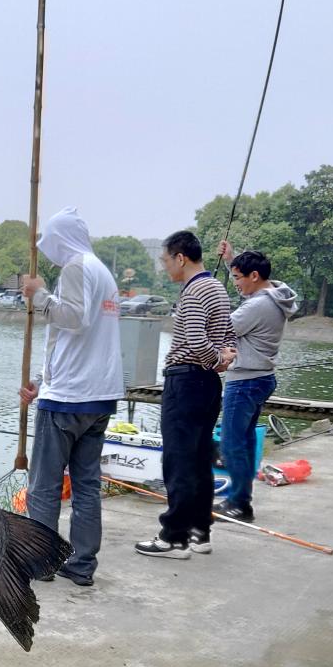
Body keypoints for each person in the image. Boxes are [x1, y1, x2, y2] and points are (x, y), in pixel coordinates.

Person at [18, 207, 124, 587]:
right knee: (86, 485)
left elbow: (74, 319)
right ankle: (81, 563)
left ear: (60, 240)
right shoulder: (102, 272)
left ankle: (40, 561)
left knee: (44, 486)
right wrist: (40, 381)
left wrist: (39, 295)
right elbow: (72, 342)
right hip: (98, 395)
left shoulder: (76, 268)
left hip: (68, 399)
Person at [135, 231, 236, 558]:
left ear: (181, 258)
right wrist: (223, 357)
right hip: (208, 385)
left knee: (178, 459)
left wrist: (215, 359)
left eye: (165, 260)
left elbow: (195, 341)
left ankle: (174, 537)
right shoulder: (218, 288)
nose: (165, 266)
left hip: (186, 381)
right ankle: (199, 533)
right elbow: (230, 334)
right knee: (200, 459)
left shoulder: (193, 292)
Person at [214, 240, 298, 521]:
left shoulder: (258, 305)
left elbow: (222, 328)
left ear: (254, 276)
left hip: (245, 382)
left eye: (238, 277)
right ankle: (242, 500)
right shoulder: (275, 295)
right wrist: (232, 260)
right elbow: (246, 290)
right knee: (246, 441)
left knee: (231, 444)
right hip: (261, 378)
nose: (235, 283)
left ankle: (239, 504)